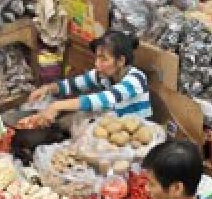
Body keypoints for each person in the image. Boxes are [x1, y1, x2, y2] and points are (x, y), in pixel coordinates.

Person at [19, 30, 151, 129]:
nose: (97, 64)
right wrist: (46, 88)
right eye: (97, 58)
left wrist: (57, 106)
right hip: (114, 126)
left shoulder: (136, 80)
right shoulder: (103, 75)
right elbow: (72, 84)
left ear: (121, 61)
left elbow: (104, 99)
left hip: (136, 133)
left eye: (103, 59)